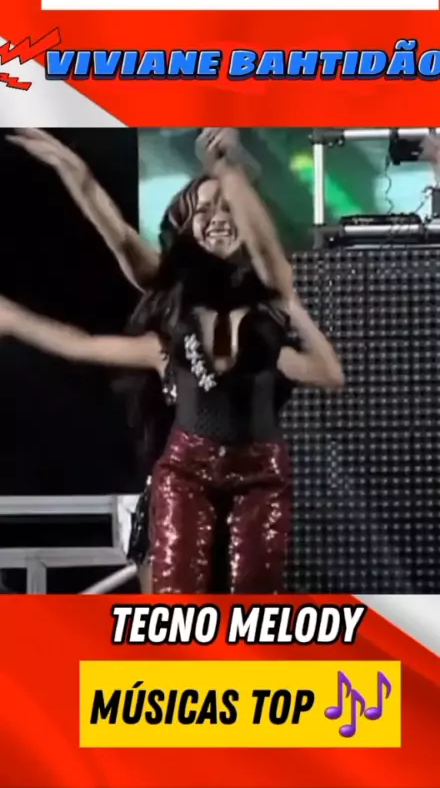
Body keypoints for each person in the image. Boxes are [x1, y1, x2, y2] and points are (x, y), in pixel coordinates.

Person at [0, 129, 344, 594]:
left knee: (253, 604)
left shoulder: (269, 300)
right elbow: (120, 246)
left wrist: (229, 170)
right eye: (203, 210)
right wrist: (75, 172)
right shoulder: (173, 310)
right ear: (185, 228)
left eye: (227, 209)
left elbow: (271, 264)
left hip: (258, 479)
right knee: (174, 603)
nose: (217, 218)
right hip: (183, 477)